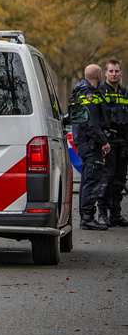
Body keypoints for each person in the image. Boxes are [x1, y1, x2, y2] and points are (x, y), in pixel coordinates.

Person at [68, 63, 111, 230]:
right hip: (90, 143)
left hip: (86, 142)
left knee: (88, 178)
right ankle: (87, 217)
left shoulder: (82, 91)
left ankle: (87, 216)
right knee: (91, 180)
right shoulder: (88, 94)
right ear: (99, 75)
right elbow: (91, 123)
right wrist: (104, 141)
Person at [102, 58, 128, 227]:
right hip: (108, 142)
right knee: (106, 178)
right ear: (105, 73)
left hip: (123, 142)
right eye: (111, 71)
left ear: (121, 73)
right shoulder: (100, 93)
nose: (114, 74)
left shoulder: (125, 93)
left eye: (117, 71)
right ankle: (102, 213)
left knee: (119, 179)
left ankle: (116, 214)